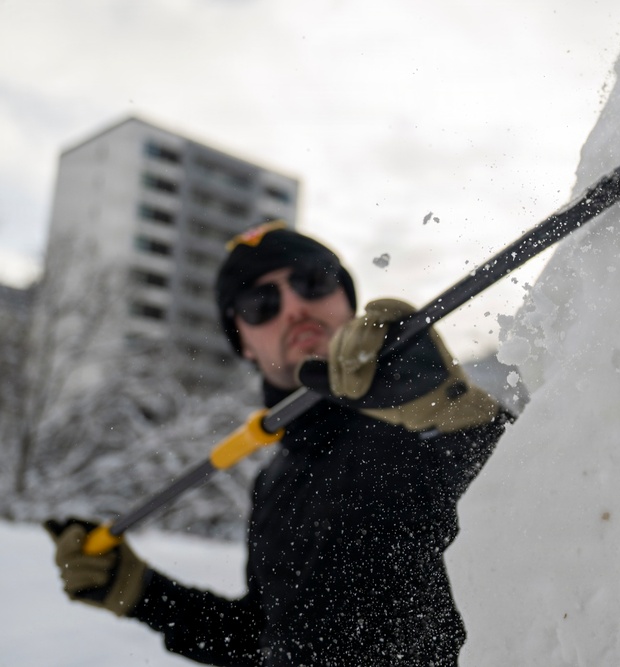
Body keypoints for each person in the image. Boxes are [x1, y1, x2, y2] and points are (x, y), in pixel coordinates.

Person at [45, 221, 512, 666]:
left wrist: (453, 412)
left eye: (311, 282)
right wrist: (144, 594)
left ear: (346, 301)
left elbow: (545, 505)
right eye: (260, 302)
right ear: (243, 342)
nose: (293, 307)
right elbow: (270, 638)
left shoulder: (425, 423)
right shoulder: (274, 480)